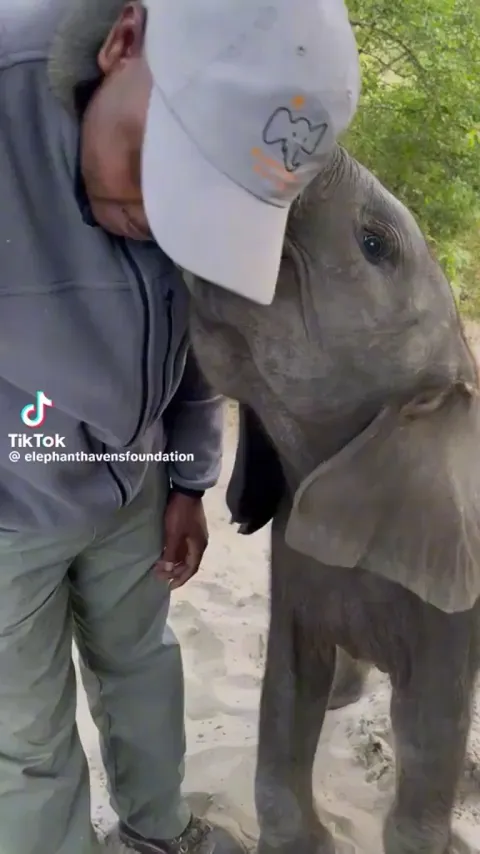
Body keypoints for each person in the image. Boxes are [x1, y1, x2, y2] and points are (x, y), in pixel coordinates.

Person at [0, 0, 360, 852]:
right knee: (23, 735)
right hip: (11, 503)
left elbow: (200, 330)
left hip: (135, 478)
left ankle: (156, 833)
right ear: (124, 41)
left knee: (144, 670)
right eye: (154, 173)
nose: (157, 223)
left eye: (199, 208)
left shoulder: (182, 160)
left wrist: (189, 478)